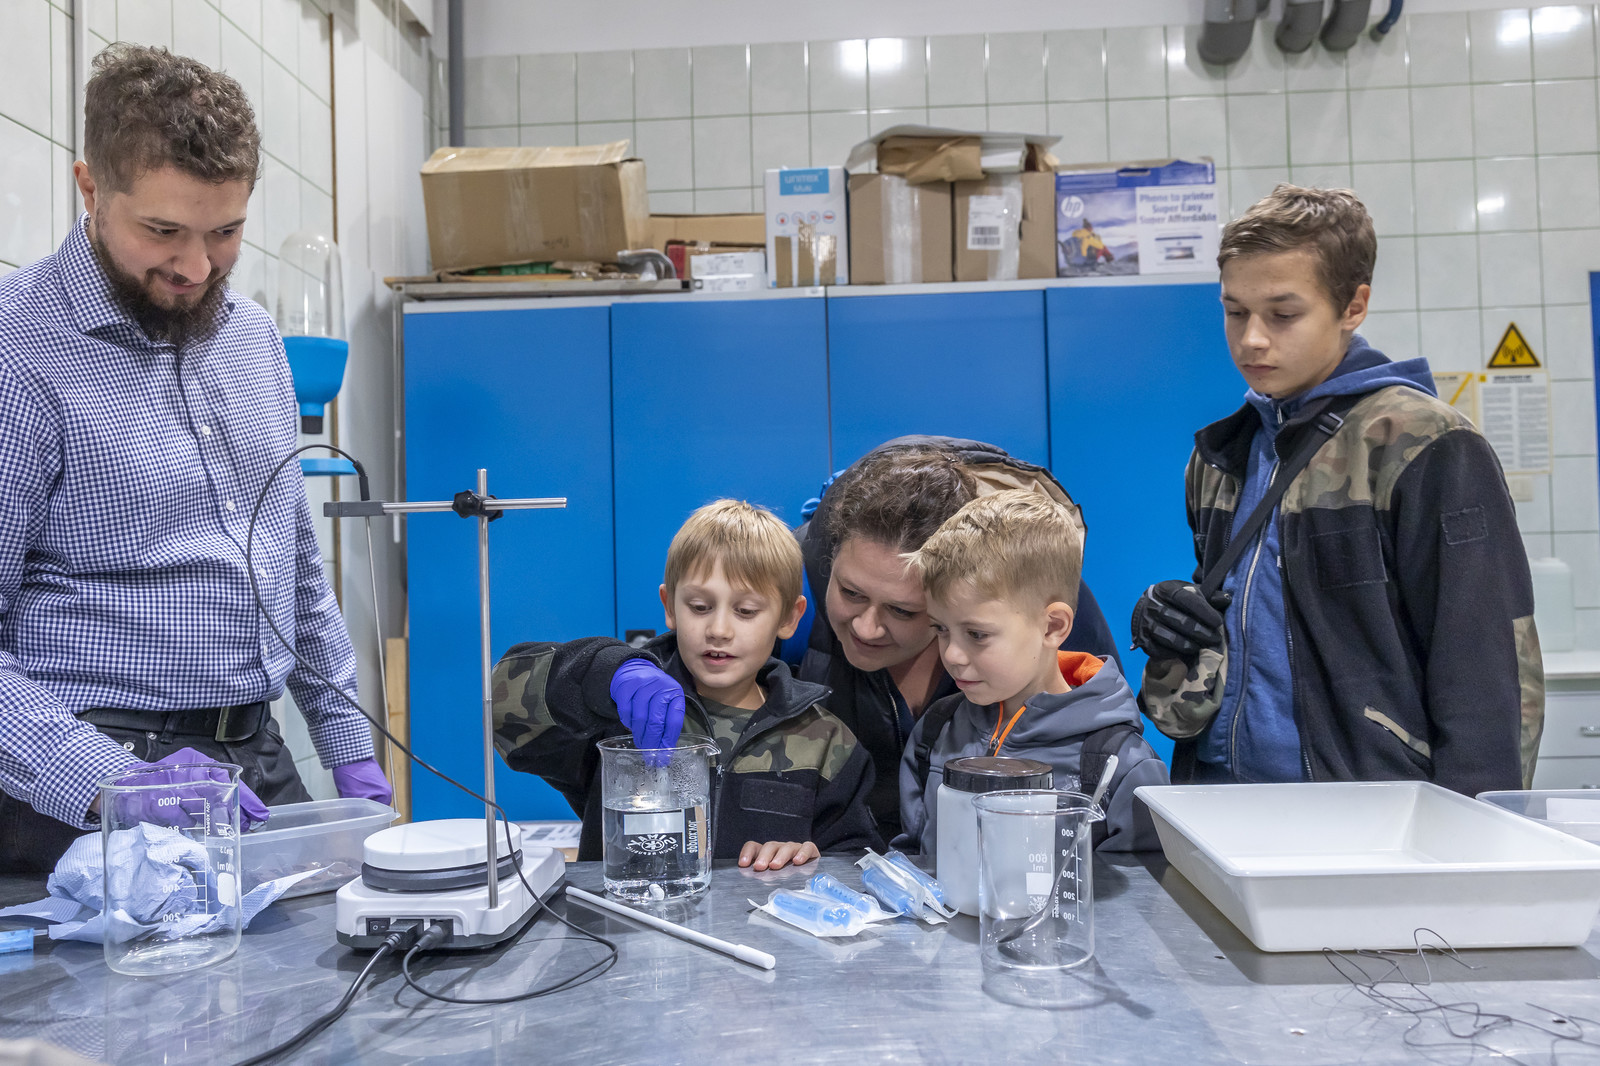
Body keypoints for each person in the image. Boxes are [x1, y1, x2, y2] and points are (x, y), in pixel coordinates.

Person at [0, 45, 390, 874]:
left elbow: (294, 567)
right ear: (90, 189)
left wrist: (348, 741)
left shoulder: (252, 340)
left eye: (226, 233)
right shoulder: (19, 351)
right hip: (83, 782)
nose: (196, 266)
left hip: (254, 758)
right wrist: (107, 781)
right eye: (163, 232)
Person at [1132, 184, 1543, 796]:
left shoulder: (1423, 444)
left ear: (1354, 306)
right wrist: (1171, 619)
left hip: (1372, 812)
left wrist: (1474, 829)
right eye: (1235, 311)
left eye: (1283, 314)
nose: (1252, 339)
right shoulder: (1222, 454)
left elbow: (1486, 665)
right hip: (1223, 803)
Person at [493, 500, 881, 871]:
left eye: (746, 611)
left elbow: (857, 863)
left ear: (788, 618)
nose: (719, 630)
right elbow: (502, 714)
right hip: (624, 916)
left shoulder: (826, 742)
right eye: (699, 607)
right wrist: (604, 673)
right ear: (669, 606)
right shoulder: (618, 715)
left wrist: (808, 859)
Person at [795, 436, 1122, 841]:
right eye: (850, 593)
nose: (865, 627)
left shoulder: (1030, 602)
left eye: (903, 611)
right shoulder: (783, 600)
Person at [897, 491, 1167, 855]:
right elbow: (915, 858)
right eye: (941, 629)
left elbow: (1142, 887)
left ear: (1053, 626)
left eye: (977, 634)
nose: (952, 655)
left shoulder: (1122, 764)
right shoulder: (935, 731)